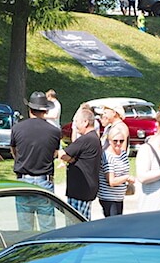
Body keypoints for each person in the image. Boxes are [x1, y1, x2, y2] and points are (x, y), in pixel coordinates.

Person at [10, 91, 62, 229]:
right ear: (45, 110)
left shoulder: (17, 128)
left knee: (24, 230)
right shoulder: (54, 131)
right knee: (47, 229)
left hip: (23, 181)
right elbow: (54, 153)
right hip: (43, 180)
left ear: (30, 109)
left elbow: (14, 151)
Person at [59, 107, 102, 220]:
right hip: (87, 188)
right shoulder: (94, 138)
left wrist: (71, 160)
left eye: (77, 121)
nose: (75, 124)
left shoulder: (86, 139)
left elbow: (62, 154)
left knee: (75, 221)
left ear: (86, 122)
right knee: (84, 220)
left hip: (80, 189)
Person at [98, 120, 135, 216]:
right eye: (115, 141)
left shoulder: (123, 154)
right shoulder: (107, 156)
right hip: (108, 198)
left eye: (121, 141)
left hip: (119, 197)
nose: (118, 143)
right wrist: (126, 178)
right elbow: (112, 181)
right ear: (109, 141)